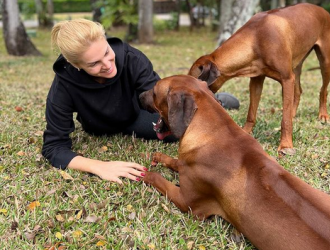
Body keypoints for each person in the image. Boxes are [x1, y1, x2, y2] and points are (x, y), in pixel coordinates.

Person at [42, 19, 239, 184]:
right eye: (94, 64)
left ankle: (213, 100)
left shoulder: (131, 58)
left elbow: (159, 100)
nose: (108, 65)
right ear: (76, 65)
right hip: (98, 127)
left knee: (179, 129)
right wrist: (99, 166)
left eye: (106, 53)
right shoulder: (63, 86)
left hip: (137, 114)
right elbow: (53, 147)